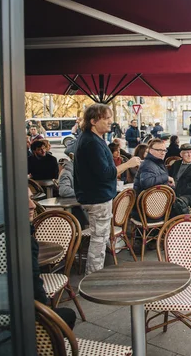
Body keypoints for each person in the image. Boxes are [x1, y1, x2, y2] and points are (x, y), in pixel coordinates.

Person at [74, 104, 141, 274]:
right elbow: (105, 174)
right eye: (106, 118)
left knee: (99, 238)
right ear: (93, 121)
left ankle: (94, 275)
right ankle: (93, 278)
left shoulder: (90, 139)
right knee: (99, 240)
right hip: (98, 198)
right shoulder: (91, 142)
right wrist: (128, 164)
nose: (111, 121)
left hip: (95, 196)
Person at [28, 188, 77, 329]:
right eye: (24, 200)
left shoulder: (5, 236)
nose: (32, 205)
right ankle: (51, 347)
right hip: (33, 317)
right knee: (69, 315)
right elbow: (35, 290)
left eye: (32, 198)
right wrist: (44, 313)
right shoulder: (24, 242)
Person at [168, 143, 191, 216]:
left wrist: (176, 190)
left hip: (190, 195)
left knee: (177, 203)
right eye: (187, 153)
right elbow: (168, 176)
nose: (190, 155)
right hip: (172, 191)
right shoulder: (176, 164)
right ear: (181, 154)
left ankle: (180, 223)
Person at [57, 158, 89, 228]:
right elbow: (63, 191)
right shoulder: (67, 173)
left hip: (85, 206)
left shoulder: (82, 171)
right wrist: (83, 192)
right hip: (79, 209)